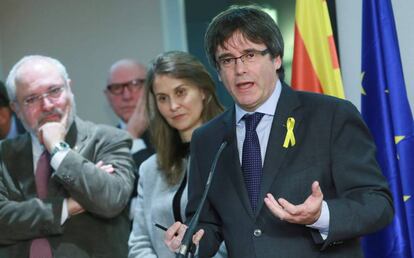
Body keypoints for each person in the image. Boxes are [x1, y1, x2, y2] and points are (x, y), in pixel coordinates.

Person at [165, 5, 394, 258]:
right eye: (227, 60)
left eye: (250, 55)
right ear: (218, 72)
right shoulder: (207, 139)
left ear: (275, 58)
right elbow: (207, 223)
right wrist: (190, 242)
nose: (240, 69)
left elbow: (376, 204)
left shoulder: (331, 116)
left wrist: (321, 215)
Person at [0, 55, 135, 257]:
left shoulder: (109, 139)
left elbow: (110, 200)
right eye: (31, 99)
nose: (46, 105)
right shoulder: (4, 154)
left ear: (69, 89)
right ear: (16, 109)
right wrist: (67, 207)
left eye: (54, 91)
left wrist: (58, 149)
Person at [128, 51, 227, 258]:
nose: (173, 106)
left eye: (181, 92)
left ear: (203, 91)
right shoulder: (150, 169)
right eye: (163, 98)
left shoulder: (232, 153)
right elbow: (139, 243)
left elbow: (240, 235)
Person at [105, 59, 155, 218]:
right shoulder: (101, 144)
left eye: (135, 84)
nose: (126, 96)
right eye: (117, 88)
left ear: (151, 87)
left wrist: (132, 138)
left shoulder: (174, 133)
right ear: (107, 96)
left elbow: (158, 192)